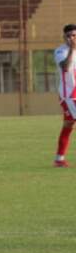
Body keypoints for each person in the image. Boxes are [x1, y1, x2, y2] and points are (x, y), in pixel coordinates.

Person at [54, 24, 76, 167]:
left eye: (73, 35)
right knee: (68, 125)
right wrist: (72, 49)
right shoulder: (60, 51)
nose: (71, 38)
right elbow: (65, 67)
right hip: (70, 95)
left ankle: (59, 159)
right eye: (68, 36)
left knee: (68, 125)